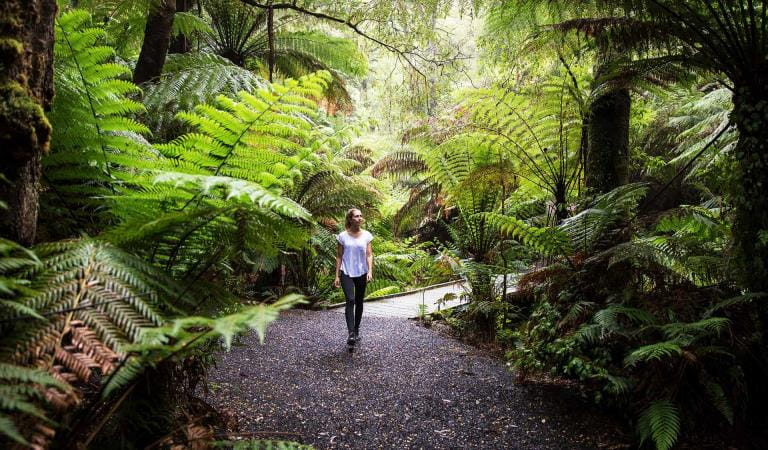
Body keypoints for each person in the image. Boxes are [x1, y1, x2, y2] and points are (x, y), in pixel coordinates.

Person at [334, 208, 373, 347]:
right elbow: (339, 256)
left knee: (359, 301)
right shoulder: (342, 236)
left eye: (361, 216)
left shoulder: (367, 235)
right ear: (350, 219)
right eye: (356, 216)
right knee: (350, 300)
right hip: (346, 271)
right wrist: (337, 275)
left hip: (362, 272)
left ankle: (356, 329)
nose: (359, 218)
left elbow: (369, 255)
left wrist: (370, 271)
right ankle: (351, 333)